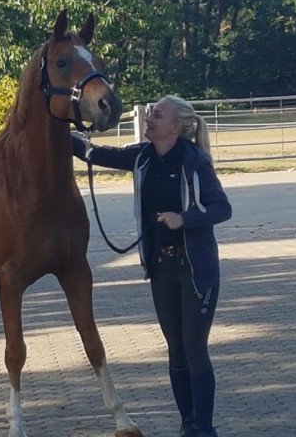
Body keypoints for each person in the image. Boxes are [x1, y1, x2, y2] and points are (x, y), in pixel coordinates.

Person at [72, 95, 232, 437]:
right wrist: (59, 129)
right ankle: (187, 423)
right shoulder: (143, 156)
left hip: (195, 268)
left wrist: (183, 218)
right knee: (175, 349)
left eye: (156, 116)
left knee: (193, 347)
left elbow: (222, 209)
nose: (149, 119)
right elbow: (97, 154)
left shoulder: (194, 161)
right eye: (149, 114)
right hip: (161, 268)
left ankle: (205, 429)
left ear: (174, 127)